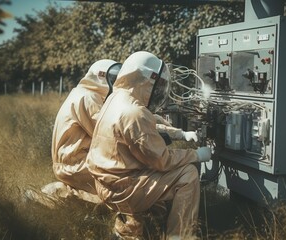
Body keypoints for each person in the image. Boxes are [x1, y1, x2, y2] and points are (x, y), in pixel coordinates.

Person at [86, 51, 212, 239]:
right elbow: (162, 160)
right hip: (122, 189)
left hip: (106, 182)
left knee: (151, 174)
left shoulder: (117, 98)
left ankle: (125, 233)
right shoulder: (134, 112)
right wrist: (197, 155)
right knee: (187, 175)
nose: (159, 90)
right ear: (147, 81)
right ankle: (179, 236)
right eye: (158, 84)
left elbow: (148, 124)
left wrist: (180, 134)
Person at [40, 59, 122, 204]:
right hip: (75, 163)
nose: (115, 84)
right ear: (102, 78)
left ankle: (62, 195)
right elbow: (107, 133)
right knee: (120, 189)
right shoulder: (88, 98)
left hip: (73, 160)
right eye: (113, 79)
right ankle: (51, 195)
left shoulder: (84, 94)